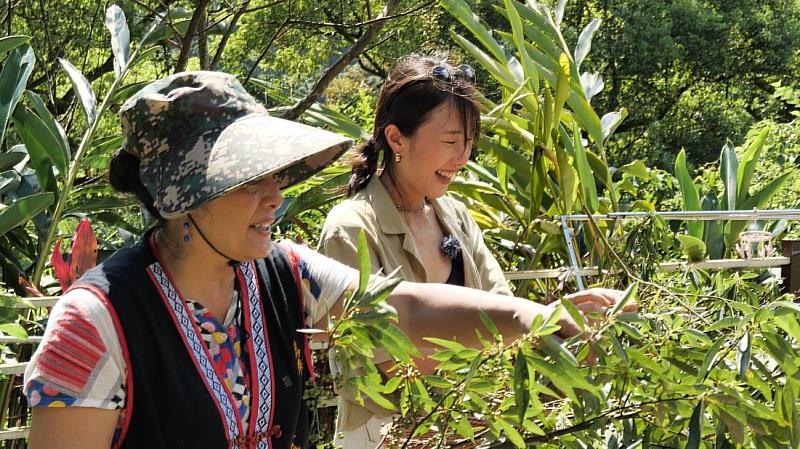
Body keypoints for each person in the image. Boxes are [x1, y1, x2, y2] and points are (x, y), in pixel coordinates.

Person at [23, 71, 622, 449]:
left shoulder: (283, 273)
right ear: (184, 197)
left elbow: (403, 310)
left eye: (275, 176)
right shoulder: (94, 324)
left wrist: (536, 319)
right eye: (248, 180)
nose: (275, 196)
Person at [318, 54, 515, 447]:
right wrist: (488, 346)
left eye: (469, 143)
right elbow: (387, 364)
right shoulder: (352, 229)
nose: (462, 159)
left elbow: (505, 310)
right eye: (450, 142)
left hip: (467, 433)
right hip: (382, 436)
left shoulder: (456, 216)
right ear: (396, 139)